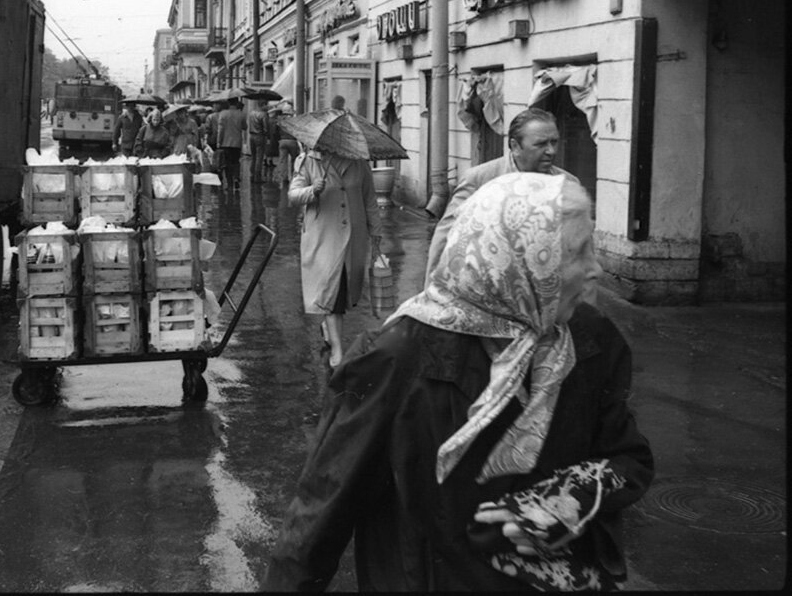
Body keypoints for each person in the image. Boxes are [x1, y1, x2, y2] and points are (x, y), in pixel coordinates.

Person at [263, 173, 654, 591]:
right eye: (576, 253)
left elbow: (628, 457)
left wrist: (573, 499)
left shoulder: (589, 339)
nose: (596, 270)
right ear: (519, 263)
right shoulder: (397, 360)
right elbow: (320, 515)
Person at [426, 107, 578, 277]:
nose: (551, 151)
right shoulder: (479, 179)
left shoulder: (568, 184)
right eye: (541, 144)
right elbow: (446, 237)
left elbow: (578, 246)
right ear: (515, 146)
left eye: (554, 142)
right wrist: (431, 291)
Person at [288, 147, 382, 371]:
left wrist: (376, 232)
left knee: (343, 291)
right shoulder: (309, 161)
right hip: (324, 236)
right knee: (334, 291)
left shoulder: (359, 163)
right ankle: (338, 351)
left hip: (353, 237)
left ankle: (328, 330)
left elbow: (369, 199)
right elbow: (293, 195)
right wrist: (313, 190)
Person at [217, 97, 246, 189]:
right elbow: (245, 127)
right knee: (236, 162)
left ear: (228, 103)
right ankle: (236, 178)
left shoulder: (223, 114)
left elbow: (220, 130)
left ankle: (229, 182)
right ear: (237, 103)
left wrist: (219, 141)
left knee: (227, 163)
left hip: (225, 142)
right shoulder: (241, 114)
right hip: (237, 142)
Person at [247, 100, 270, 182]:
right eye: (266, 105)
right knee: (259, 157)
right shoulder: (264, 114)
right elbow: (266, 128)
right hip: (260, 136)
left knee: (253, 156)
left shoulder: (251, 113)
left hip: (251, 136)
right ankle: (258, 177)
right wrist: (267, 136)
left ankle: (252, 174)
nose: (267, 107)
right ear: (263, 104)